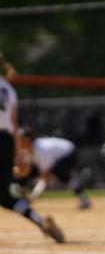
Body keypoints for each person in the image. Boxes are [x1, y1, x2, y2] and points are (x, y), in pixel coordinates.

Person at [0, 53, 65, 243]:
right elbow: (13, 126)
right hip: (5, 142)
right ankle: (40, 221)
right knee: (4, 197)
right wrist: (19, 155)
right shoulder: (9, 89)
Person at [18, 126, 91, 210]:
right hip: (60, 153)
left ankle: (84, 200)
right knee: (28, 173)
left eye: (21, 139)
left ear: (27, 140)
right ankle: (19, 199)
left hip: (70, 152)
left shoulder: (41, 151)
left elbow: (45, 177)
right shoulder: (30, 149)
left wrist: (33, 196)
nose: (18, 142)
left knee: (60, 173)